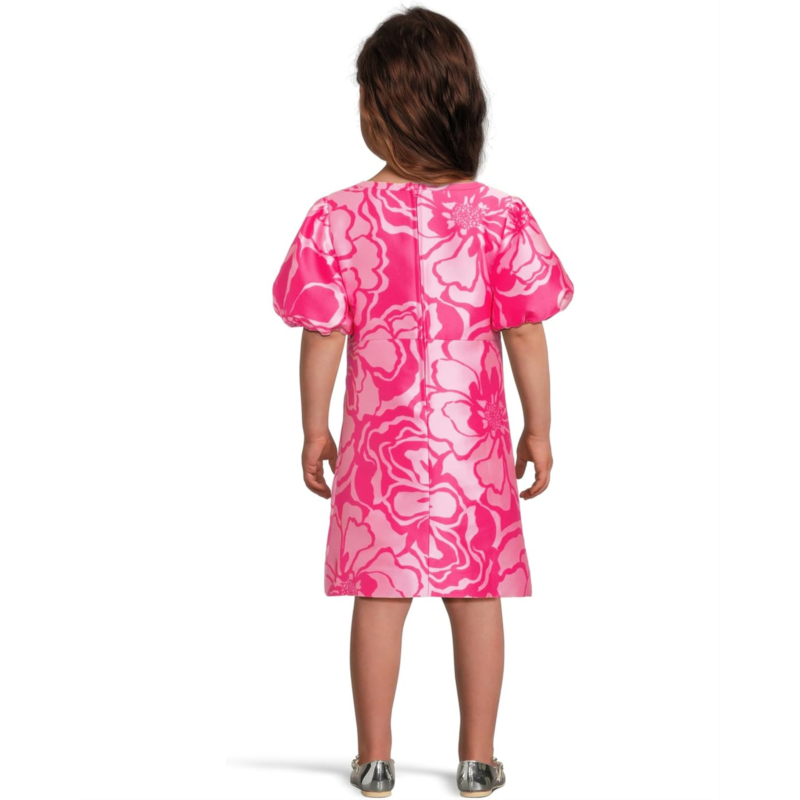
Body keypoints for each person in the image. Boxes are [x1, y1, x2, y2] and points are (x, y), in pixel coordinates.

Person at [272, 7, 574, 797]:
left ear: (375, 105)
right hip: (472, 446)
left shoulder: (337, 218)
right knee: (476, 595)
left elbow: (323, 333)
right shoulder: (499, 216)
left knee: (380, 595)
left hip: (380, 447)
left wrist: (314, 428)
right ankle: (478, 757)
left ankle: (375, 758)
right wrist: (540, 428)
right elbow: (525, 329)